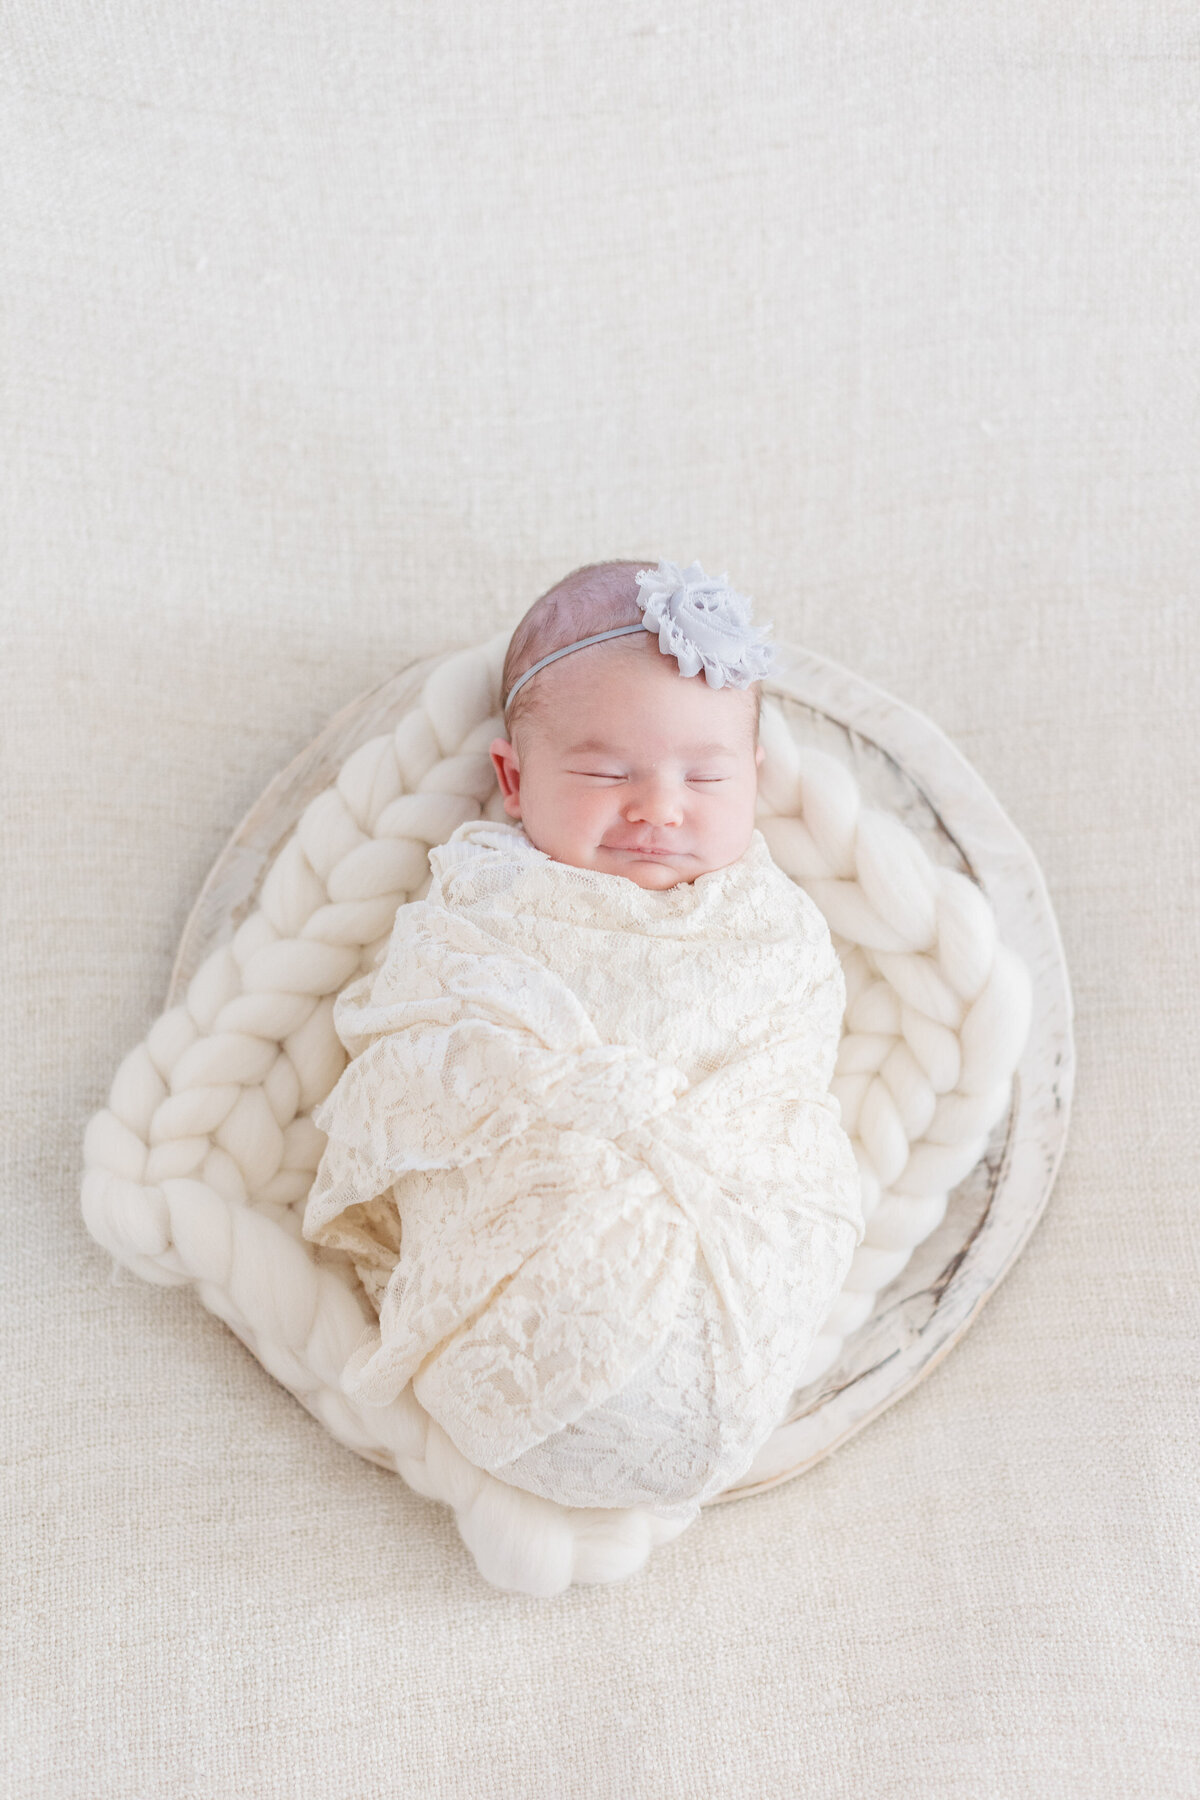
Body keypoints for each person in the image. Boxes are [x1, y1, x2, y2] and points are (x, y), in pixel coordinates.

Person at [302, 560, 863, 1520]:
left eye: (706, 775)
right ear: (514, 782)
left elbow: (793, 1067)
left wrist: (698, 1134)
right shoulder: (485, 903)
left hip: (734, 1269)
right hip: (528, 1272)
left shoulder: (770, 924)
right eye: (607, 773)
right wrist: (568, 1099)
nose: (658, 807)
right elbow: (421, 1034)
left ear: (754, 781)